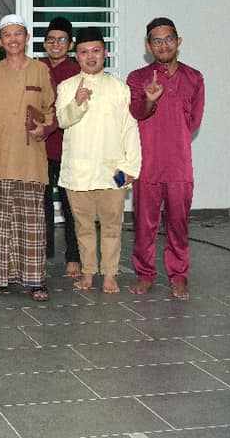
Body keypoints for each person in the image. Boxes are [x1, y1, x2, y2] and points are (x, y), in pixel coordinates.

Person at [0, 14, 55, 302]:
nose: (13, 39)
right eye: (7, 35)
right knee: (1, 222)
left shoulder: (40, 70)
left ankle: (36, 279)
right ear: (0, 41)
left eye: (18, 34)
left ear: (27, 38)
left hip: (30, 156)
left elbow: (50, 107)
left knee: (32, 222)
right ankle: (1, 276)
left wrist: (45, 127)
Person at [56, 28, 141, 294]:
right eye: (84, 52)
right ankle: (89, 272)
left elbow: (130, 129)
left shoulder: (119, 88)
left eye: (96, 51)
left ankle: (110, 274)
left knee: (112, 226)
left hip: (112, 171)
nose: (90, 56)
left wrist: (130, 168)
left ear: (105, 53)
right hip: (77, 171)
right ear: (76, 55)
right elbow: (63, 120)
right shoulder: (67, 87)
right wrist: (77, 103)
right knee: (83, 227)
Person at [126, 17, 204, 300]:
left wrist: (175, 136)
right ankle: (145, 274)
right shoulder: (137, 78)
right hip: (147, 164)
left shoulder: (194, 77)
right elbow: (136, 112)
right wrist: (150, 100)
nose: (163, 45)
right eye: (156, 41)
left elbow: (194, 120)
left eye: (168, 39)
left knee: (178, 224)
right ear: (148, 46)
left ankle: (178, 276)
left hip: (179, 165)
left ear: (178, 41)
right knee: (144, 225)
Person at [39, 17, 82, 275]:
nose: (56, 44)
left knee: (70, 206)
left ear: (71, 44)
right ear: (44, 44)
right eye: (51, 40)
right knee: (41, 205)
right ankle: (43, 253)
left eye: (62, 40)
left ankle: (74, 256)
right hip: (40, 149)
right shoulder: (36, 68)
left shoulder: (78, 71)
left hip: (69, 149)